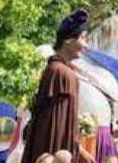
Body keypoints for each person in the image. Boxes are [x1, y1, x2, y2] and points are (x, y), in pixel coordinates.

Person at [22, 10, 94, 163]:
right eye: (83, 38)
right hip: (54, 151)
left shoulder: (62, 70)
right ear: (68, 40)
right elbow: (56, 123)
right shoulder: (60, 72)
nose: (86, 45)